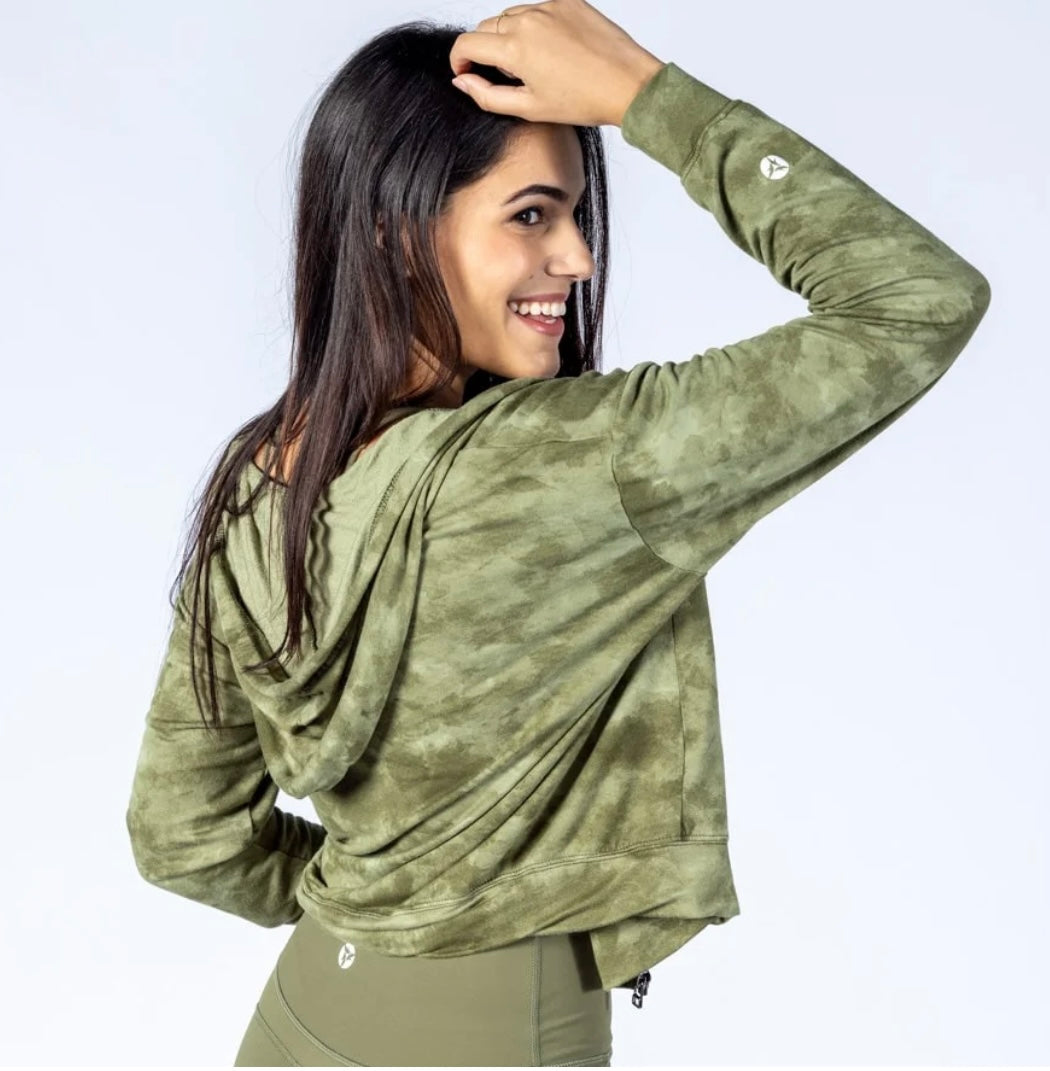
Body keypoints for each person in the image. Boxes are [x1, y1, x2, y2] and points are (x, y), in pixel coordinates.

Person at [124, 0, 991, 1065]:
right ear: (398, 229)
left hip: (299, 1019)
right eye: (532, 215)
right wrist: (649, 97)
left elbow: (185, 837)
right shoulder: (573, 464)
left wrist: (382, 901)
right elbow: (912, 301)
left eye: (574, 215)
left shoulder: (261, 478)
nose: (577, 257)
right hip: (491, 1031)